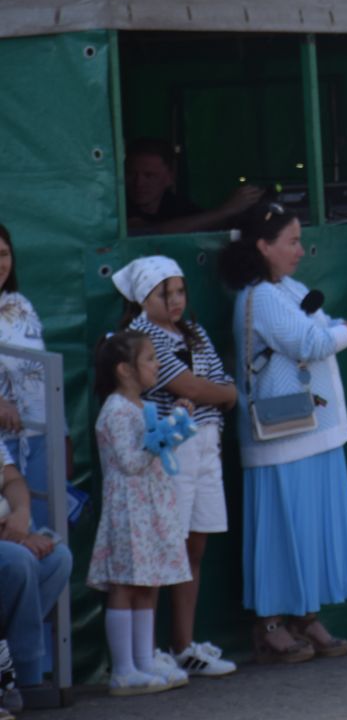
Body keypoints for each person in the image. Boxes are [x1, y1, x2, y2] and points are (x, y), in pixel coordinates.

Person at [226, 203, 347, 664]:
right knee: (284, 529)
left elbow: (325, 331)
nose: (301, 249)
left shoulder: (288, 288)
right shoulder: (258, 297)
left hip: (314, 430)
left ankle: (305, 615)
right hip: (280, 437)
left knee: (312, 529)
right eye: (292, 241)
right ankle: (271, 623)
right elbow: (314, 343)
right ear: (263, 246)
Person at [115, 256, 238, 678]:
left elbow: (221, 383)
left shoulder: (196, 332)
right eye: (163, 294)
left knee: (195, 545)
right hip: (173, 448)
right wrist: (220, 393)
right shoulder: (141, 337)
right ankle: (149, 653)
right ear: (141, 299)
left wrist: (220, 393)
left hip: (208, 444)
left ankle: (185, 645)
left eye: (179, 291)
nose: (175, 301)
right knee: (167, 544)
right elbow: (190, 387)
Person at [87, 332, 190, 695]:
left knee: (147, 583)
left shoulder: (138, 407)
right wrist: (160, 438)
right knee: (125, 585)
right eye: (149, 359)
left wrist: (174, 429)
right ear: (124, 370)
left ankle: (144, 661)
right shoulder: (115, 410)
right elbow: (131, 462)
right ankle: (124, 669)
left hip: (148, 506)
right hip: (128, 508)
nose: (156, 365)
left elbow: (151, 451)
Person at [0, 441, 71, 701]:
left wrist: (21, 512)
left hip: (10, 533)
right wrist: (15, 538)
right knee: (20, 560)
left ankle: (11, 670)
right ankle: (20, 672)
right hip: (7, 540)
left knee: (58, 559)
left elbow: (13, 479)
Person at [0, 225, 50, 531]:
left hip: (38, 436)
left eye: (3, 254)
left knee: (43, 533)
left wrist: (63, 434)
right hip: (1, 447)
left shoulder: (20, 306)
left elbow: (43, 373)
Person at [123, 139, 264, 236]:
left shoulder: (175, 204)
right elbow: (148, 233)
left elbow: (205, 224)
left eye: (149, 175)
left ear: (169, 178)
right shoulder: (117, 207)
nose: (138, 183)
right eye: (130, 174)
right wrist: (227, 209)